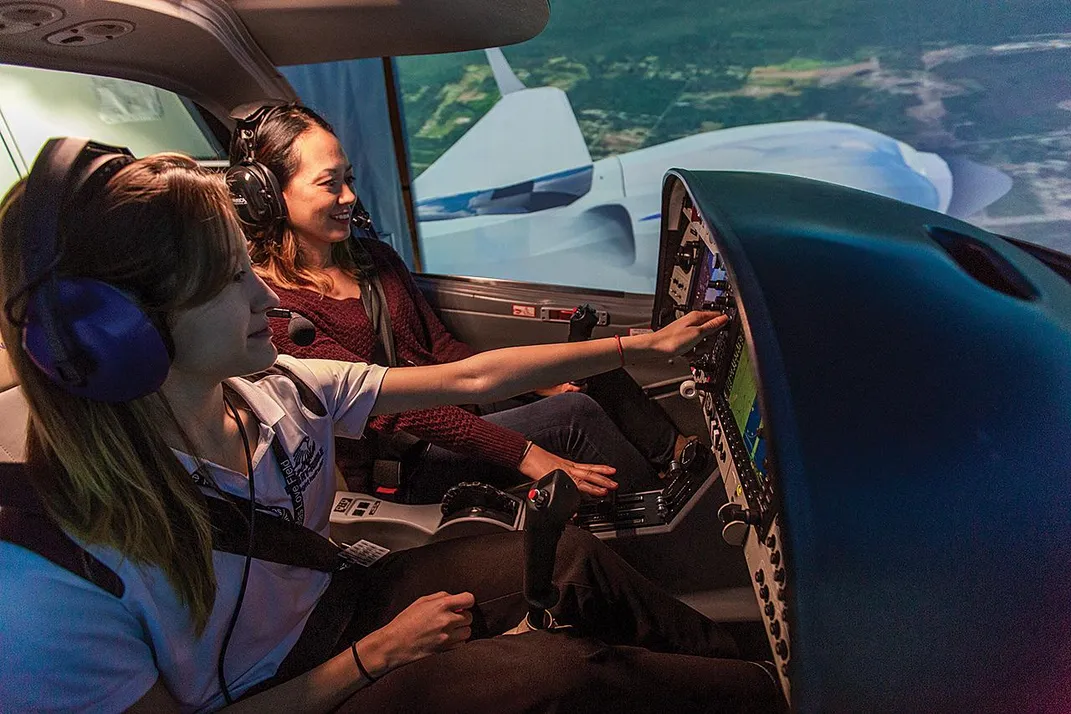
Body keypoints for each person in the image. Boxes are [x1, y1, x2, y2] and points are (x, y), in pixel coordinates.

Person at [0, 141, 786, 712]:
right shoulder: (47, 576)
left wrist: (638, 346)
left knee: (570, 558)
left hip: (338, 601)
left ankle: (772, 678)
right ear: (119, 333)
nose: (269, 301)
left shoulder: (280, 390)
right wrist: (371, 661)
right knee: (562, 679)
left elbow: (467, 378)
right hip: (293, 688)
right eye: (232, 281)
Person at [231, 103, 702, 503]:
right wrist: (526, 453)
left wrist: (540, 384)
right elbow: (396, 411)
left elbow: (441, 350)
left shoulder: (373, 258)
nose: (349, 197)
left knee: (582, 373)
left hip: (451, 413)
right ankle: (661, 530)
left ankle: (676, 460)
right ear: (267, 197)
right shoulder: (279, 314)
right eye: (329, 183)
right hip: (398, 462)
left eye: (349, 179)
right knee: (573, 418)